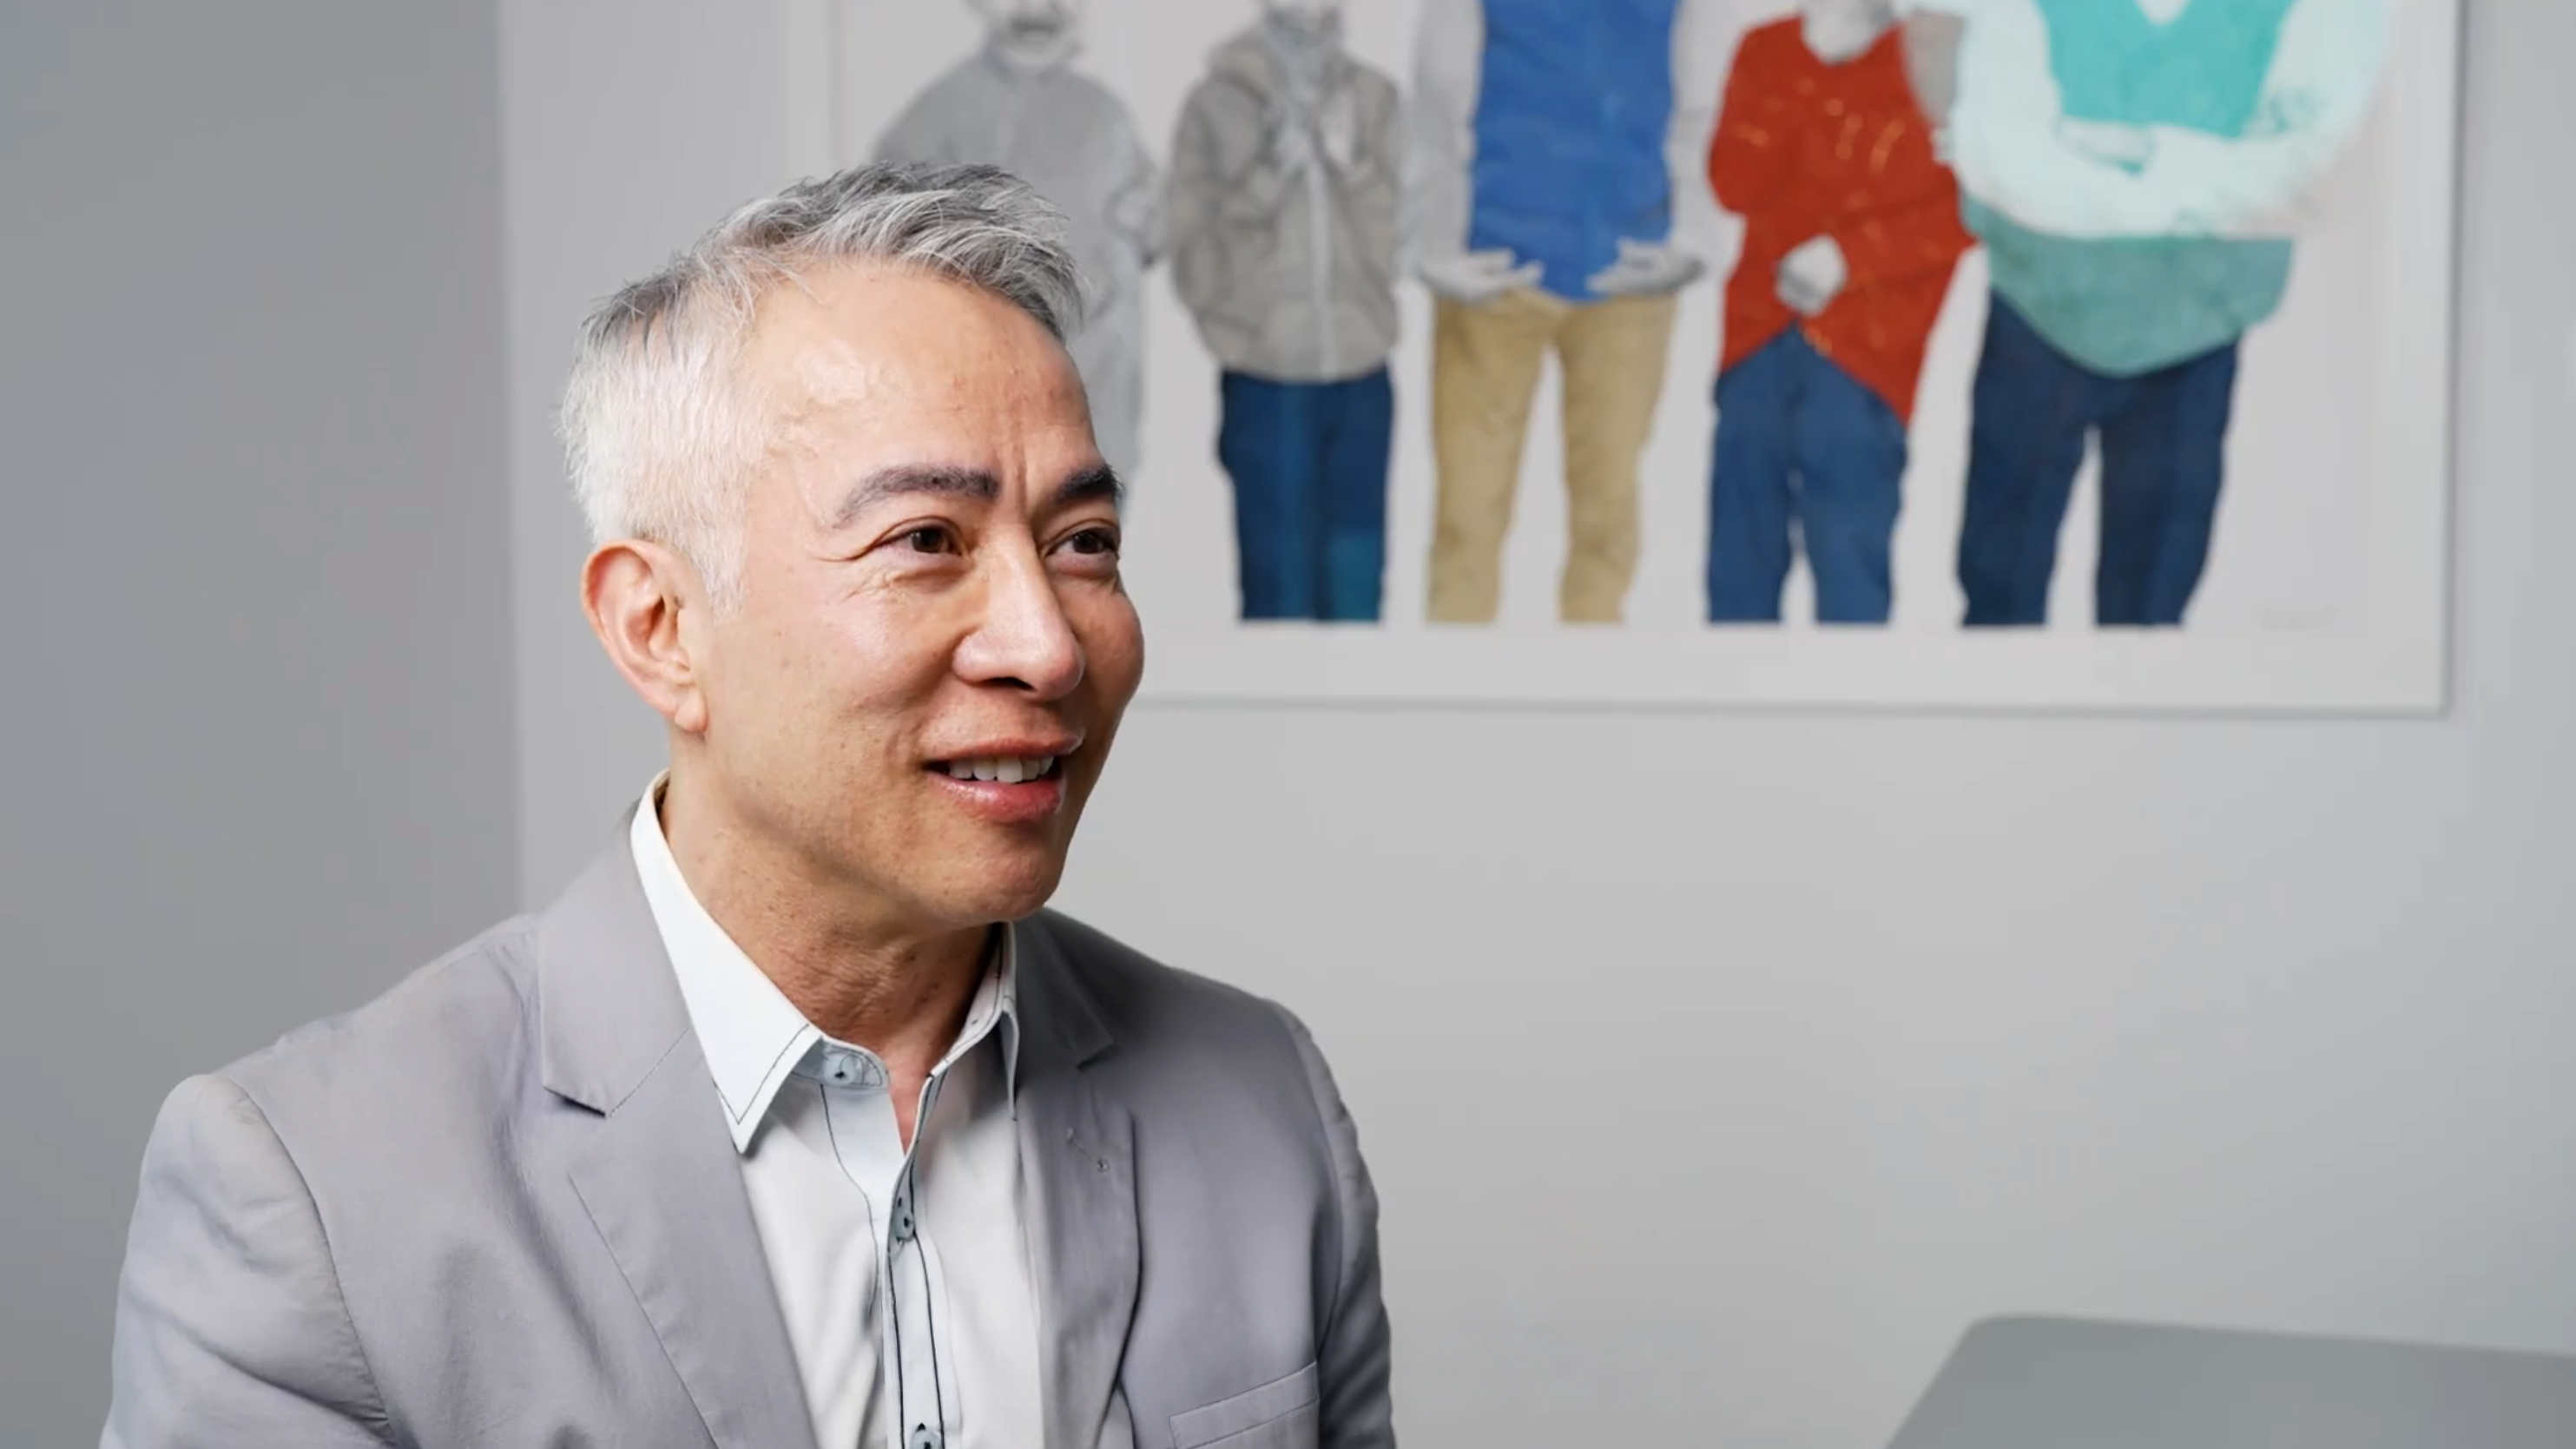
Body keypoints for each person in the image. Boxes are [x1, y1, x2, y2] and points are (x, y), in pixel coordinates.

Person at [99, 164, 1395, 1449]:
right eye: (926, 541)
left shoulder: (1259, 1101)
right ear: (658, 627)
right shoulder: (314, 1193)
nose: (1045, 648)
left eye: (1083, 544)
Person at [1920, 0, 2390, 627]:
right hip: (2040, 316)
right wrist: (2205, 181)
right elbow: (1999, 155)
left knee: (2152, 613)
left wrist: (2130, 152)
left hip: (2195, 332)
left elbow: (2319, 166)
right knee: (1997, 593)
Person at [1408, 0, 1736, 625]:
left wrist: (1693, 240)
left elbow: (1701, 101)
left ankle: (1596, 691)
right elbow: (1439, 91)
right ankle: (1449, 689)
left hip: (1628, 276)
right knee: (1467, 514)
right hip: (1496, 269)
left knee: (1607, 512)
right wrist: (1436, 242)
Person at [1703, 0, 1974, 624]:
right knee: (1738, 565)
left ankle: (1853, 713)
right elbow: (1731, 181)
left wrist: (1850, 256)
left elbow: (1968, 210)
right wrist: (1807, 55)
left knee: (1850, 565)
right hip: (1758, 336)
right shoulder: (1767, 49)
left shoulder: (1940, 50)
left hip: (1869, 352)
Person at [1168, 0, 1405, 622]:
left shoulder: (1376, 98)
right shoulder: (1214, 105)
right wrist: (1269, 176)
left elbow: (1404, 245)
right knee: (1278, 589)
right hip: (1265, 381)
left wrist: (1351, 167)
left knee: (1358, 588)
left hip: (1362, 376)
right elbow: (1192, 263)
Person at [877, 0, 1162, 482]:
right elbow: (884, 238)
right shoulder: (940, 113)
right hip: (986, 385)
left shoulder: (1105, 113)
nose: (1039, 9)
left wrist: (1143, 218)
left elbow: (1155, 224)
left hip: (1101, 389)